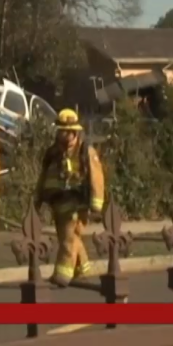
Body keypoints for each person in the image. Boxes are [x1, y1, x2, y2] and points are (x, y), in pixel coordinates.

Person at [34, 109, 105, 287]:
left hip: (76, 203)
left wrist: (96, 206)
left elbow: (97, 178)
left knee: (68, 240)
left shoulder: (85, 151)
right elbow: (43, 176)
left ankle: (62, 275)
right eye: (60, 131)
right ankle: (82, 269)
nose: (62, 134)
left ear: (74, 132)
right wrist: (38, 199)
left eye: (66, 131)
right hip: (58, 203)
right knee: (69, 238)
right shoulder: (53, 152)